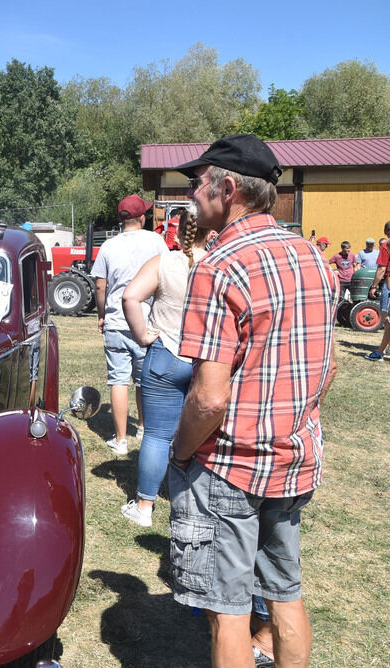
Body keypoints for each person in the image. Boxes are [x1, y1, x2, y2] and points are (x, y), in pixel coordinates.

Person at [169, 134, 337, 667]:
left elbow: (209, 398)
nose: (194, 195)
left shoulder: (219, 265)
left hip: (229, 465)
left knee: (227, 613)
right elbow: (326, 368)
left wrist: (178, 453)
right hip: (294, 458)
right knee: (285, 594)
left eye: (199, 183)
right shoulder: (311, 254)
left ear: (229, 187)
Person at [119, 207, 213, 527]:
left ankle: (144, 507)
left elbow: (131, 297)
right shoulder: (218, 266)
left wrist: (143, 334)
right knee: (203, 435)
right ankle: (193, 501)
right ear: (209, 230)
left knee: (157, 436)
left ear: (178, 229)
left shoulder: (164, 262)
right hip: (206, 361)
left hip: (165, 355)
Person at [91, 194, 168, 455]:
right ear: (143, 217)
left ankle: (120, 439)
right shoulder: (156, 241)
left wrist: (102, 314)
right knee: (145, 380)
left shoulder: (108, 246)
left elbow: (100, 285)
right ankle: (144, 428)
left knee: (118, 380)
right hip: (147, 321)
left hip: (116, 319)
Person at [364, 222, 390, 361]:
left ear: (386, 232)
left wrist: (374, 286)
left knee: (387, 319)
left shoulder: (386, 246)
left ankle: (380, 352)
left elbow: (381, 269)